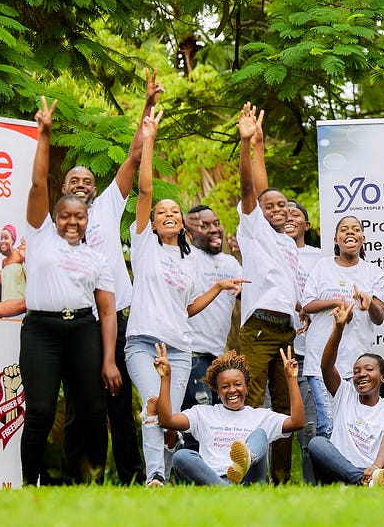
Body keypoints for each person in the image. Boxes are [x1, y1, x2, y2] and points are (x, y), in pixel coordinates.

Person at [126, 110, 247, 485]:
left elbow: (189, 307)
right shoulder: (144, 245)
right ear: (152, 221)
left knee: (169, 419)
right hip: (143, 342)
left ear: (182, 224)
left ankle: (168, 476)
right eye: (162, 212)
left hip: (179, 348)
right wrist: (148, 140)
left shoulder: (190, 259)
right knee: (153, 406)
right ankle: (155, 477)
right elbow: (146, 192)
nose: (168, 215)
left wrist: (218, 287)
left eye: (174, 212)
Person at [60, 70, 161, 486]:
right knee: (81, 405)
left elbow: (135, 157)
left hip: (115, 319)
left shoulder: (105, 207)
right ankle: (80, 479)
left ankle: (133, 477)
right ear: (63, 188)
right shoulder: (53, 227)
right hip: (76, 321)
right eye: (75, 181)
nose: (83, 185)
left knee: (119, 403)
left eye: (88, 181)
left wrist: (148, 105)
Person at [20, 97, 122, 485]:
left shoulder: (96, 258)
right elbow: (37, 183)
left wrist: (108, 360)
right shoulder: (40, 235)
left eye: (79, 216)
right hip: (41, 331)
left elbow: (107, 312)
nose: (73, 222)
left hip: (82, 331)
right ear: (55, 217)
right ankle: (30, 483)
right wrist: (44, 134)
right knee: (40, 411)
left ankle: (91, 482)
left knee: (94, 411)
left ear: (87, 218)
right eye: (65, 216)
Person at [234, 103, 306, 483]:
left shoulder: (288, 243)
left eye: (283, 206)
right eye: (270, 205)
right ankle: (247, 474)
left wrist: (299, 306)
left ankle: (279, 479)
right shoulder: (253, 231)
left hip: (286, 332)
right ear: (257, 212)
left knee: (284, 407)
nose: (278, 209)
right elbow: (252, 189)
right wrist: (248, 145)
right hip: (259, 329)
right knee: (250, 400)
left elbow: (286, 283)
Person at [154, 344, 302, 486]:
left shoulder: (262, 416)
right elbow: (167, 421)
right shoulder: (202, 413)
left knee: (260, 434)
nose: (232, 390)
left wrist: (291, 379)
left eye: (237, 384)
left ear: (246, 387)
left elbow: (297, 422)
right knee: (181, 456)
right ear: (217, 392)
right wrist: (165, 378)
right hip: (213, 478)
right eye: (225, 386)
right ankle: (225, 488)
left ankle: (247, 459)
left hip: (249, 480)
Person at [301, 213, 384, 441]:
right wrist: (336, 303)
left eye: (356, 229)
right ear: (336, 239)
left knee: (354, 429)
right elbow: (307, 304)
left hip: (357, 365)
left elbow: (379, 317)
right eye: (344, 229)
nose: (350, 232)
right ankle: (327, 466)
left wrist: (369, 303)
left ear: (363, 238)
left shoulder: (374, 273)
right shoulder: (323, 266)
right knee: (328, 425)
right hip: (321, 361)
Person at [306, 300, 384, 486]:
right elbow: (326, 367)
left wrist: (375, 467)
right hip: (340, 471)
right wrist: (338, 330)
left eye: (369, 369)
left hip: (375, 471)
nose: (361, 374)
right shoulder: (344, 393)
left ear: (383, 377)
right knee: (317, 443)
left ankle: (369, 481)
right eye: (356, 371)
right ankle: (361, 482)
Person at [181, 206, 242, 413]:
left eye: (216, 223)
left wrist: (245, 254)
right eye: (204, 226)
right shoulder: (188, 257)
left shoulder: (230, 263)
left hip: (218, 355)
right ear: (190, 234)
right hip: (192, 352)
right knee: (198, 412)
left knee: (217, 415)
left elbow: (249, 294)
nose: (214, 229)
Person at [283, 200, 321, 481]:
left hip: (308, 351)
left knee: (309, 428)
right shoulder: (268, 252)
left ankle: (313, 486)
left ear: (306, 225)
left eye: (295, 214)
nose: (288, 217)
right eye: (284, 213)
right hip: (276, 347)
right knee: (274, 420)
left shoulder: (319, 258)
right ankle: (275, 483)